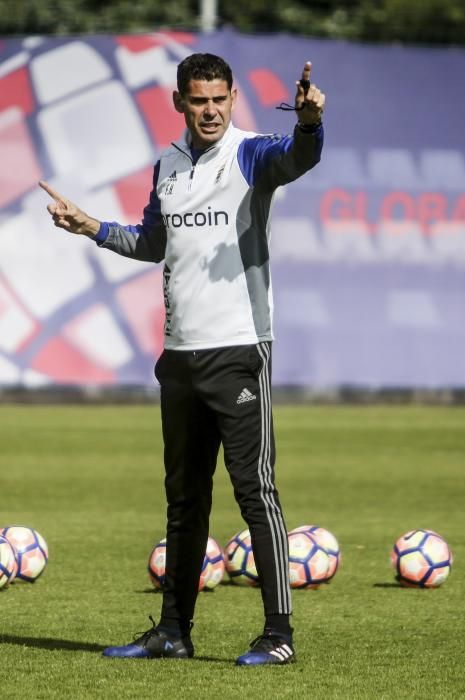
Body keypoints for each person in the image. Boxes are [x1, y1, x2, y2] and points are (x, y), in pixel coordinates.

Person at [40, 52, 325, 666]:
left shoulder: (252, 154)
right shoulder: (167, 166)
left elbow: (300, 159)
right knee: (185, 497)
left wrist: (308, 124)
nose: (211, 110)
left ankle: (279, 636)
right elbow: (152, 242)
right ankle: (174, 631)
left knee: (256, 492)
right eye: (199, 99)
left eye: (220, 98)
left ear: (232, 98)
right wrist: (90, 227)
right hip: (180, 359)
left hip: (239, 350)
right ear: (179, 102)